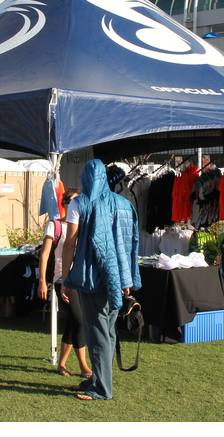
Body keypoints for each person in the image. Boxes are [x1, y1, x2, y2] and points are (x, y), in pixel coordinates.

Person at [61, 159, 141, 401]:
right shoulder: (125, 204)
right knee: (106, 330)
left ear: (85, 178)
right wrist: (127, 277)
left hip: (91, 279)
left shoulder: (80, 203)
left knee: (97, 332)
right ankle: (96, 379)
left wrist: (65, 277)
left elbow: (70, 243)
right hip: (116, 278)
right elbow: (130, 245)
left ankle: (101, 388)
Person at [37, 187, 92, 379]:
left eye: (78, 202)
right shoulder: (55, 225)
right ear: (64, 204)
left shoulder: (82, 226)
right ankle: (84, 365)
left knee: (72, 322)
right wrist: (42, 282)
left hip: (80, 280)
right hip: (62, 280)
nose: (74, 206)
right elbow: (44, 256)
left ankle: (61, 363)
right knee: (79, 321)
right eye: (70, 202)